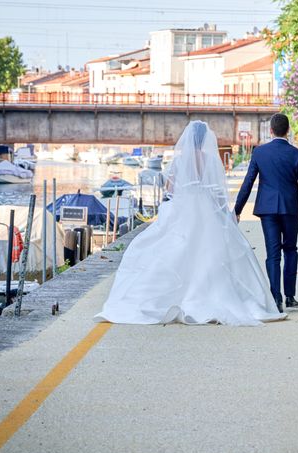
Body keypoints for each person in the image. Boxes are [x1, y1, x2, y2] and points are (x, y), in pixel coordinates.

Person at [95, 121, 285, 326]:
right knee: (212, 252)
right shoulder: (210, 160)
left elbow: (170, 190)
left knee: (172, 249)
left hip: (183, 209)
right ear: (204, 139)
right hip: (206, 209)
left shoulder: (179, 161)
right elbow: (219, 193)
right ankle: (214, 296)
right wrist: (226, 214)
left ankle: (171, 296)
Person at [234, 113, 298, 313]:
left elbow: (248, 183)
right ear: (288, 131)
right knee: (290, 249)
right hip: (291, 209)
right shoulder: (297, 154)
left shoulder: (259, 153)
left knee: (272, 254)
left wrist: (237, 210)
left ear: (271, 131)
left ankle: (276, 297)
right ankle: (290, 295)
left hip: (267, 210)